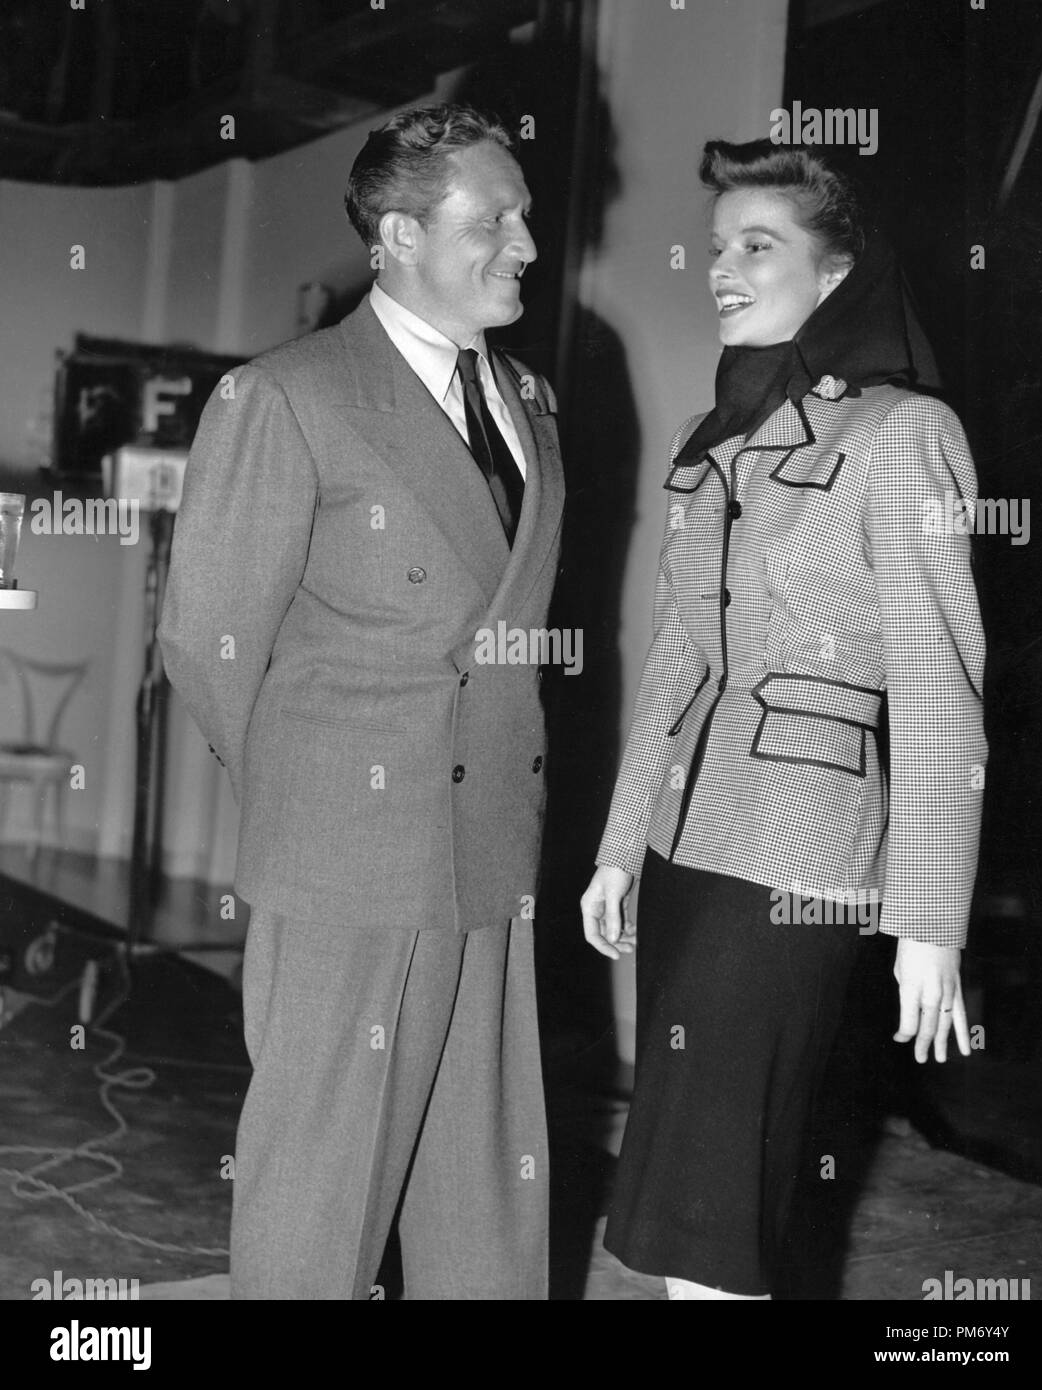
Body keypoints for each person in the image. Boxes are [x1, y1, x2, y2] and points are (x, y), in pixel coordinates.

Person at [159, 104, 564, 1300]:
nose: (527, 243)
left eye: (526, 215)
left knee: (485, 1185)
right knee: (321, 1192)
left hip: (494, 841)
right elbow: (208, 642)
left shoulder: (531, 401)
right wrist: (316, 793)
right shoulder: (283, 396)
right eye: (493, 218)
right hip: (348, 855)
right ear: (396, 234)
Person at [580, 140, 987, 1301]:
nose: (721, 268)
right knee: (673, 1201)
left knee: (717, 1196)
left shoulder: (905, 435)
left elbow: (938, 686)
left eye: (759, 246)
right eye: (717, 246)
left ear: (837, 273)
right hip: (683, 846)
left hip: (799, 860)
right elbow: (675, 663)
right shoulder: (719, 445)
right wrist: (619, 844)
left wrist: (929, 919)